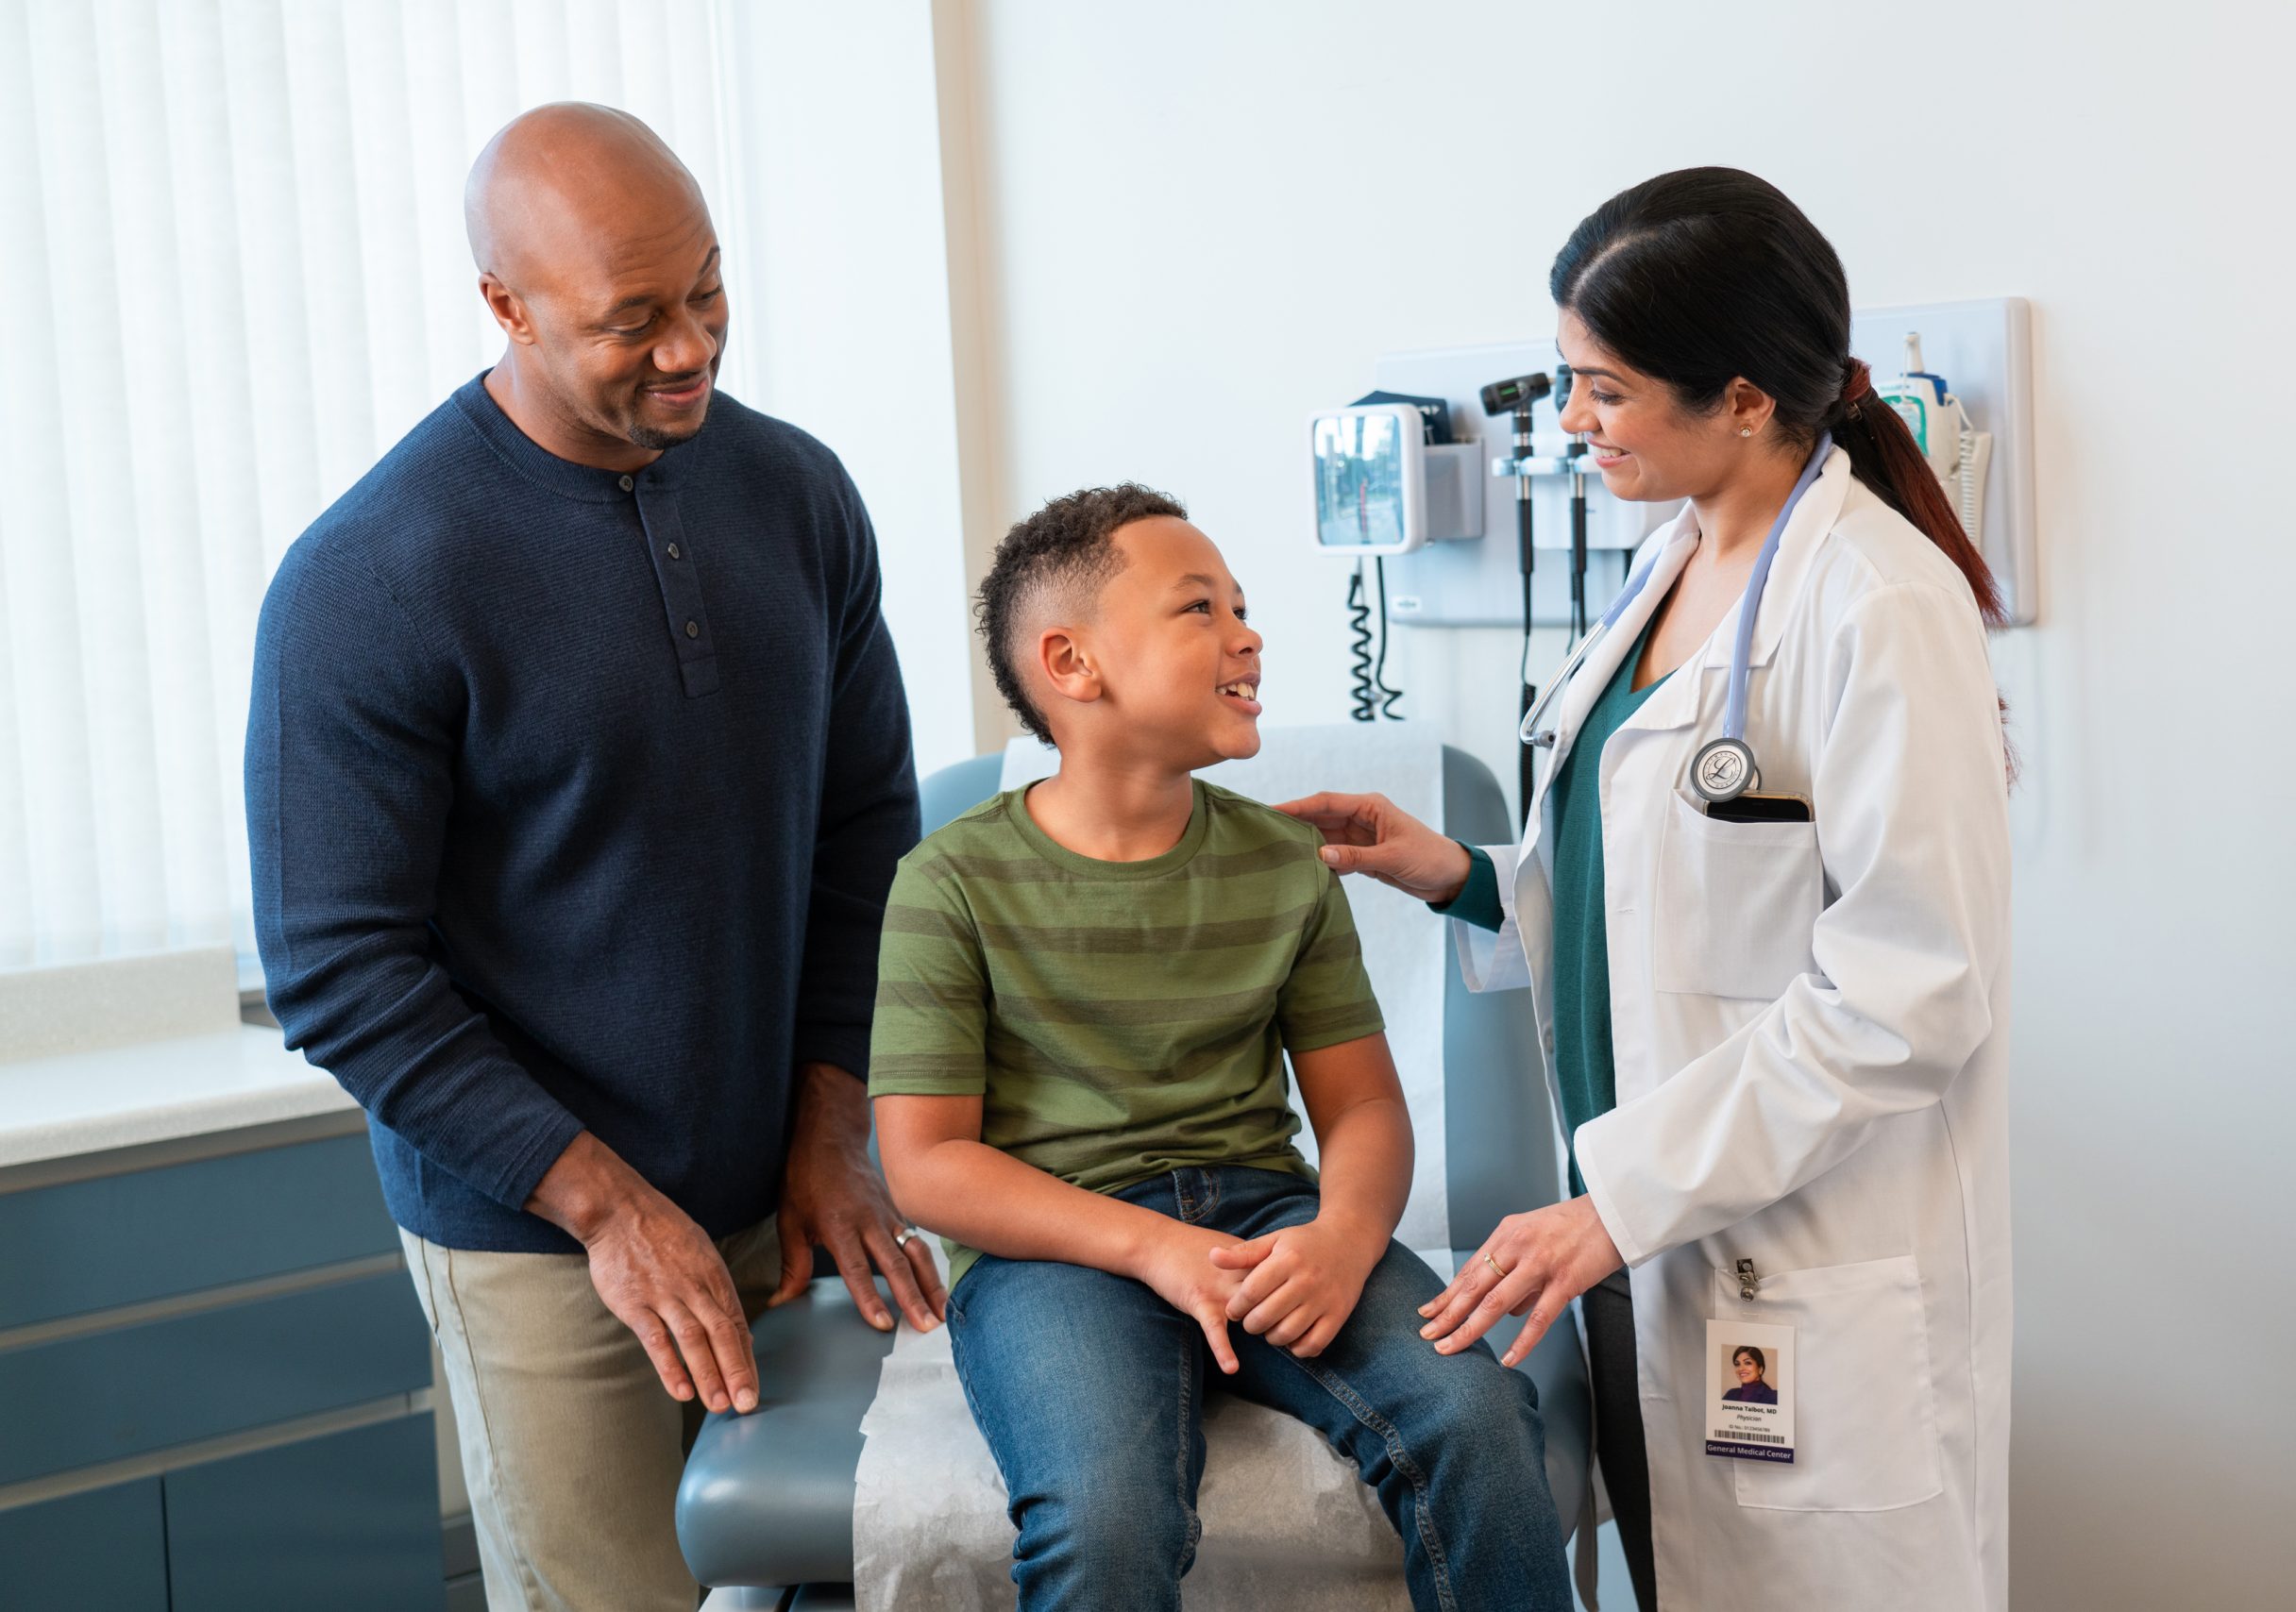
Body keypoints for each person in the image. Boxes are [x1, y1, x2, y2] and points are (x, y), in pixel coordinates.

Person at [245, 104, 945, 1611]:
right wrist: (609, 1212)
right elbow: (339, 973)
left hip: (781, 1189)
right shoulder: (371, 577)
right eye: (634, 320)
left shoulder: (799, 495)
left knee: (856, 1578)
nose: (690, 347)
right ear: (505, 305)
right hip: (540, 1238)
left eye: (707, 293)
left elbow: (868, 830)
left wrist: (833, 1121)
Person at [1283, 167, 2013, 1612]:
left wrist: (1619, 1202)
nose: (1569, 426)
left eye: (1603, 393)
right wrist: (1458, 877)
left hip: (1784, 1256)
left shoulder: (1878, 602)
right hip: (1636, 1241)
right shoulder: (1667, 566)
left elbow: (1911, 994)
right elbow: (1655, 899)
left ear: (1742, 400)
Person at [868, 485, 1574, 1612]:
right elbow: (928, 1166)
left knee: (1479, 1417)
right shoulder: (947, 883)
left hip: (1264, 1218)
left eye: (1241, 606)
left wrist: (1343, 1236)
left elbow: (1360, 1111)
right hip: (1060, 1247)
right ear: (1073, 662)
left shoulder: (1281, 864)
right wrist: (1152, 1248)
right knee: (1105, 1513)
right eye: (1198, 609)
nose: (1247, 633)